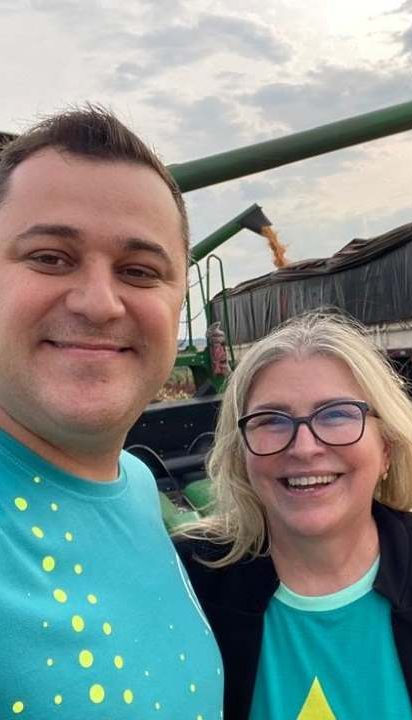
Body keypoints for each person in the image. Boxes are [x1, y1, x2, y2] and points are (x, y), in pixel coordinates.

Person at [179, 313, 412, 720]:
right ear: (240, 453)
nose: (304, 447)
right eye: (271, 420)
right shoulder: (188, 581)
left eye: (336, 414)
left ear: (387, 447)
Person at [0, 107, 224, 718]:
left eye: (138, 271)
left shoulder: (138, 485)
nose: (99, 303)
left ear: (178, 300)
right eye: (50, 257)